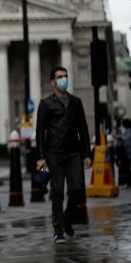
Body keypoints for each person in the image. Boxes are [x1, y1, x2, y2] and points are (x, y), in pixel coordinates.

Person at [35, 66, 92, 244]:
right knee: (57, 191)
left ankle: (67, 219)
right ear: (52, 81)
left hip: (74, 152)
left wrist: (86, 154)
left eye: (65, 76)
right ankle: (58, 229)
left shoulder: (76, 102)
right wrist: (41, 156)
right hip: (54, 153)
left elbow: (83, 129)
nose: (63, 80)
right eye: (60, 77)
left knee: (77, 190)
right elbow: (40, 131)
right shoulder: (45, 103)